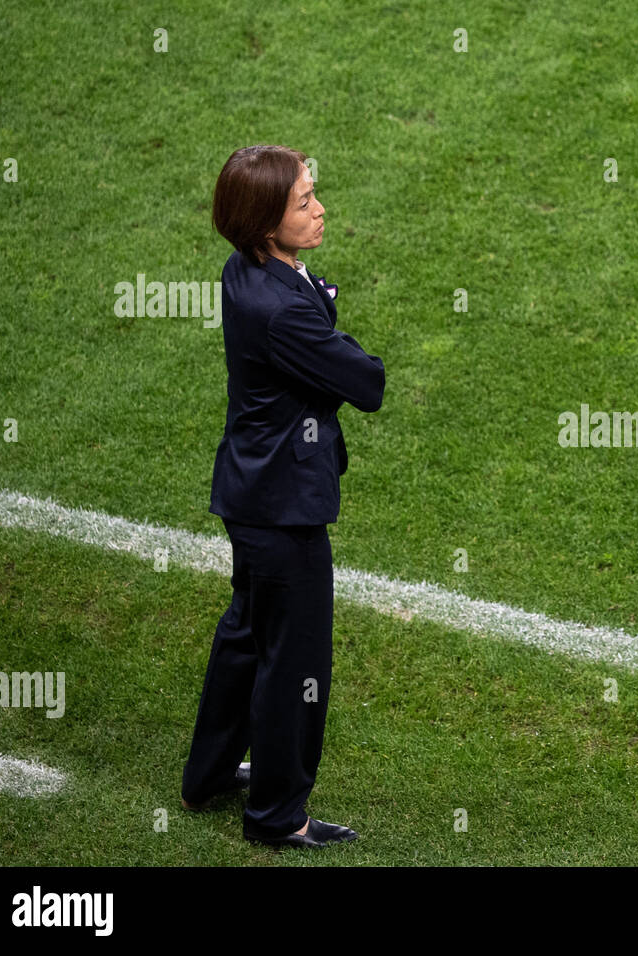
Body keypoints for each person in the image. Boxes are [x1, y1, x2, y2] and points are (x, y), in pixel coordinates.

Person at [181, 144, 385, 849]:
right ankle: (277, 816)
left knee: (246, 636)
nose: (321, 207)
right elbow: (368, 382)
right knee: (292, 663)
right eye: (303, 201)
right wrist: (335, 344)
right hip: (283, 509)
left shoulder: (247, 271)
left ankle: (208, 772)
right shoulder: (280, 311)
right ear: (266, 221)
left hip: (250, 492)